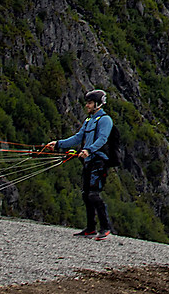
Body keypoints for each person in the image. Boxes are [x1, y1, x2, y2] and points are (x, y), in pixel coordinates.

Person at [38, 89, 115, 240]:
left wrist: (88, 149)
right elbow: (78, 137)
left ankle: (105, 228)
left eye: (90, 103)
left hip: (99, 161)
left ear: (98, 104)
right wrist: (58, 144)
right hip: (88, 161)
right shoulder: (89, 120)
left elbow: (102, 139)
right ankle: (91, 228)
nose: (87, 105)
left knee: (94, 194)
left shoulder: (105, 120)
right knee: (86, 195)